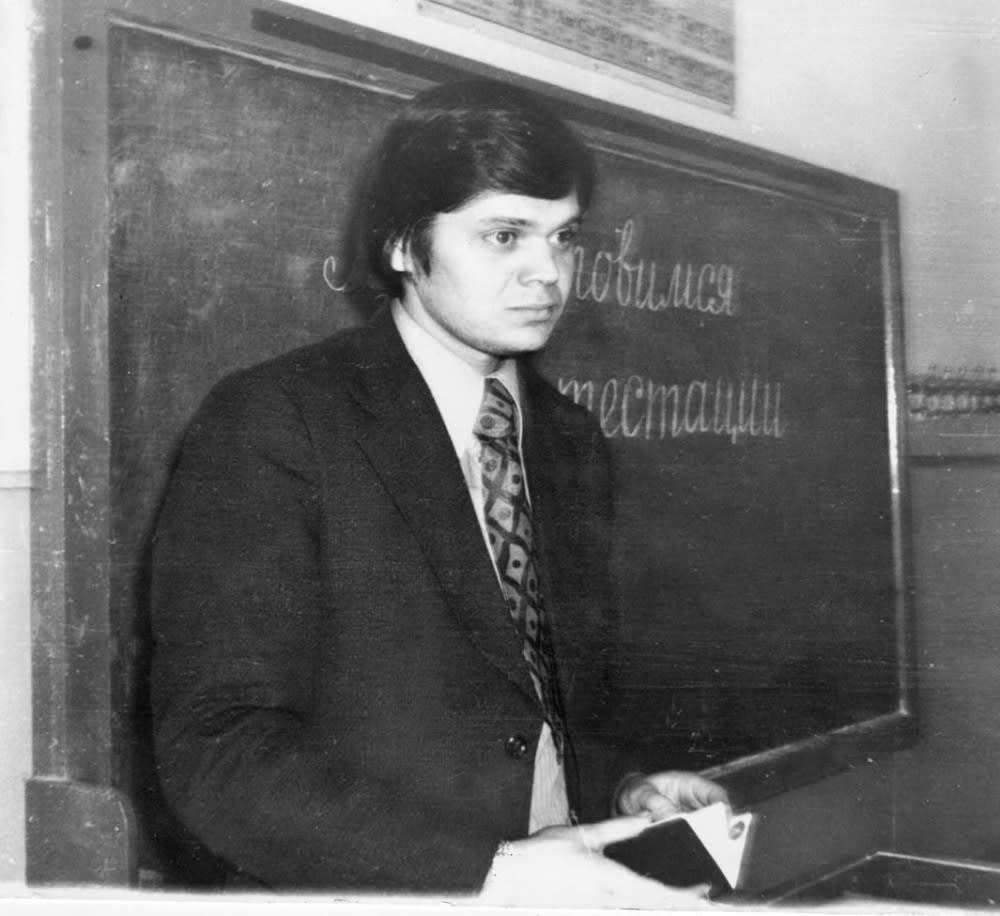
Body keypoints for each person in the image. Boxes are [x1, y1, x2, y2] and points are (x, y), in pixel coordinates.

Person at [149, 77, 728, 905]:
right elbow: (218, 753)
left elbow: (542, 693)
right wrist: (490, 873)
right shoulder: (276, 422)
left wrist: (624, 789)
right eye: (504, 236)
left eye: (564, 238)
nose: (549, 273)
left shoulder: (570, 438)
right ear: (400, 246)